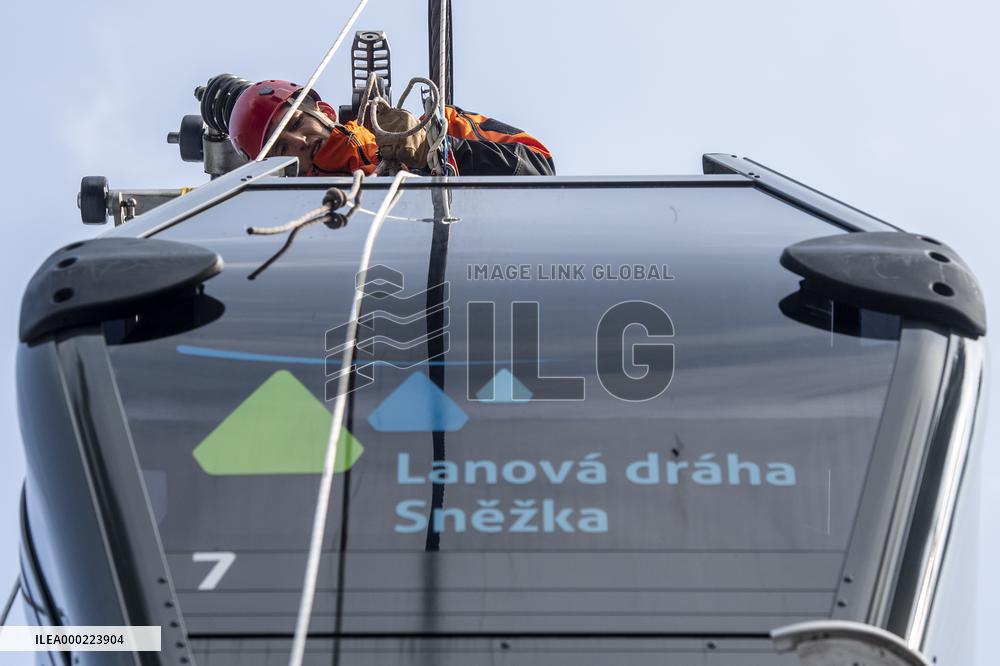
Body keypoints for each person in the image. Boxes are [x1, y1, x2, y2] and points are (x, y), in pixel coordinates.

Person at [228, 80, 555, 177]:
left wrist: (434, 150)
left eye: (297, 122)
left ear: (324, 111)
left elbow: (539, 168)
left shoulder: (440, 125)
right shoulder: (309, 219)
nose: (299, 141)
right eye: (282, 148)